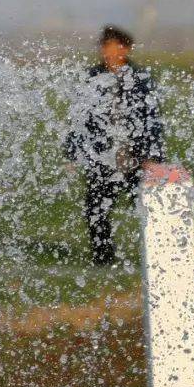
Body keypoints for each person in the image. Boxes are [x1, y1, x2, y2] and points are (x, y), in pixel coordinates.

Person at [64, 25, 167, 265]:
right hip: (102, 156)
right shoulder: (91, 78)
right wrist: (72, 153)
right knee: (96, 209)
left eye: (114, 47)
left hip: (135, 155)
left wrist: (152, 156)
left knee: (146, 206)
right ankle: (103, 257)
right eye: (105, 47)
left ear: (126, 48)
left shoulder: (140, 79)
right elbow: (79, 118)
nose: (109, 52)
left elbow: (151, 118)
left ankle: (157, 255)